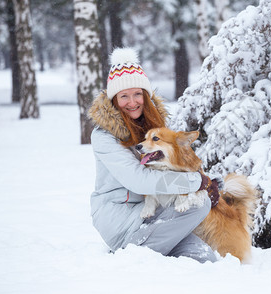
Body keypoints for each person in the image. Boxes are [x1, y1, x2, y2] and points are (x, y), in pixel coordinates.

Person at [88, 47, 218, 263]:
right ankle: (131, 257)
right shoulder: (105, 136)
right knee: (200, 203)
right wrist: (196, 182)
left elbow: (176, 165)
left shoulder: (153, 129)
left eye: (138, 94)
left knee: (204, 260)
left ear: (146, 96)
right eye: (124, 96)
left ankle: (150, 255)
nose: (132, 102)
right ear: (114, 100)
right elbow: (138, 180)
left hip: (157, 211)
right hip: (120, 219)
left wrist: (206, 180)